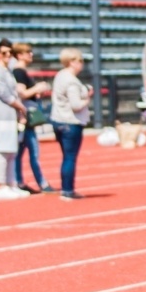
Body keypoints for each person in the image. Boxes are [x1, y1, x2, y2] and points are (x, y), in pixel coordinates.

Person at [12, 42, 56, 194]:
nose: (31, 54)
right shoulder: (19, 72)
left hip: (24, 116)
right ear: (19, 55)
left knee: (20, 152)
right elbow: (22, 93)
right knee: (32, 151)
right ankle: (41, 183)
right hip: (25, 117)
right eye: (27, 52)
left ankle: (19, 181)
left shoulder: (20, 71)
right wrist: (38, 88)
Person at [0, 38, 29, 200]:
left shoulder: (9, 70)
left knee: (12, 152)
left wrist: (19, 111)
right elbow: (4, 94)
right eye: (4, 52)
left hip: (12, 116)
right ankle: (1, 185)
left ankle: (11, 183)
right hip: (2, 117)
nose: (7, 55)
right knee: (3, 152)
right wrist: (21, 107)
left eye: (10, 53)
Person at [50, 47, 92, 201]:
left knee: (66, 157)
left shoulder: (60, 75)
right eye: (79, 61)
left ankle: (66, 188)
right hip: (71, 122)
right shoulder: (72, 81)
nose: (81, 64)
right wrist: (87, 99)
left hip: (58, 119)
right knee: (70, 158)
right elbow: (76, 105)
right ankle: (68, 190)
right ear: (72, 62)